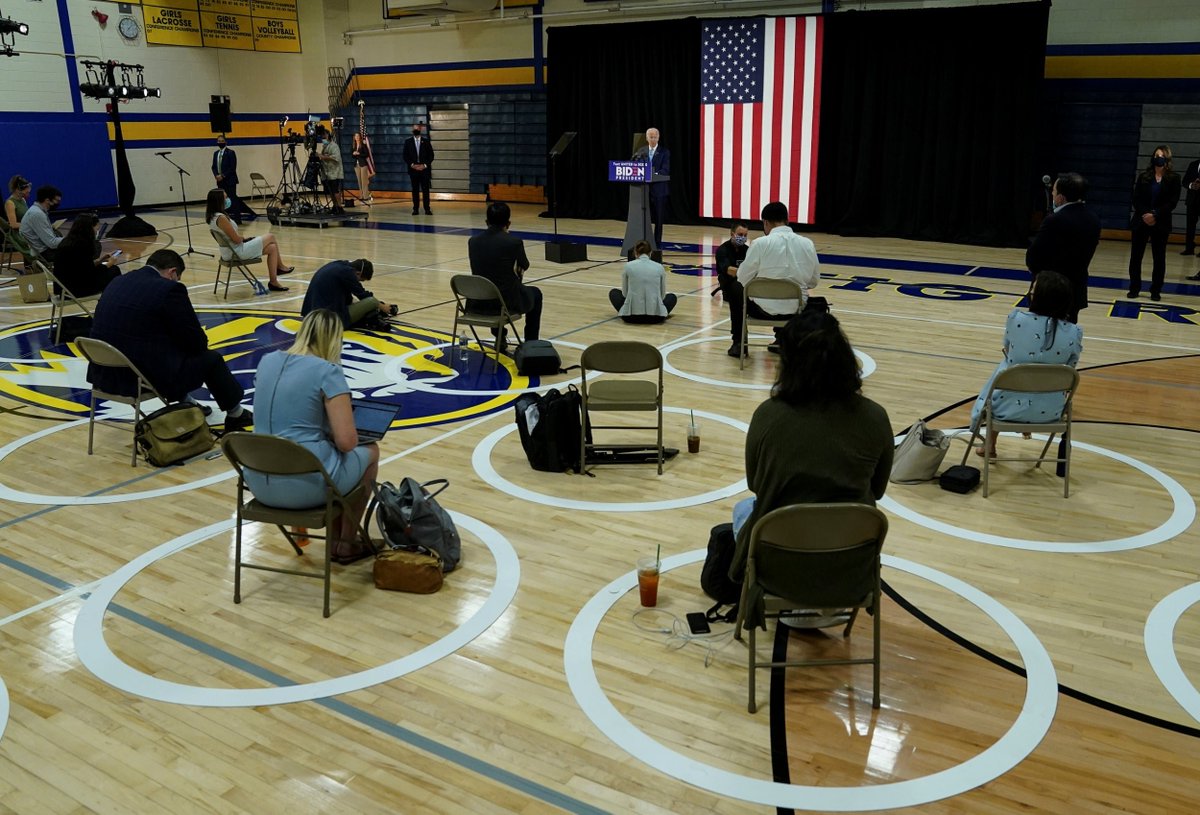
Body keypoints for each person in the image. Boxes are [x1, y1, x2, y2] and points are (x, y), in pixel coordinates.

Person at [728, 309, 893, 584]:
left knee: (744, 508)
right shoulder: (875, 416)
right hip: (849, 562)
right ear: (845, 359)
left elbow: (756, 483)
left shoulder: (768, 414)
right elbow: (877, 489)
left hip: (778, 560)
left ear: (788, 363)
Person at [243, 308, 379, 557]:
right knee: (368, 451)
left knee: (297, 448)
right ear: (335, 339)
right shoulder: (328, 370)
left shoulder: (267, 361)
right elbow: (347, 442)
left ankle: (311, 535)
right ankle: (345, 543)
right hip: (303, 486)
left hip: (258, 480)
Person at [88, 248, 252, 430]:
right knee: (210, 359)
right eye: (177, 277)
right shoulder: (169, 289)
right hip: (139, 379)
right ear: (172, 272)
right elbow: (196, 342)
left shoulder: (117, 281)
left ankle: (188, 403)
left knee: (161, 350)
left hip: (103, 374)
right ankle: (236, 413)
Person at [969, 271, 1082, 459]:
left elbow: (1007, 349)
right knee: (1043, 373)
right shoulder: (1074, 332)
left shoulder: (1016, 319)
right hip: (1050, 410)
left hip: (1005, 407)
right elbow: (1072, 366)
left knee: (1007, 369)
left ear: (1036, 296)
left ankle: (989, 443)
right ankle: (1027, 418)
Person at [738, 201, 821, 350]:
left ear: (765, 222)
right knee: (794, 292)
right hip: (797, 308)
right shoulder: (807, 244)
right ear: (787, 221)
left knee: (735, 290)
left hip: (762, 309)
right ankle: (784, 340)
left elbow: (742, 278)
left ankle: (738, 344)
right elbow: (813, 281)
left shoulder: (760, 243)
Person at [1025, 172, 1101, 323]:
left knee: (1042, 335)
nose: (1052, 194)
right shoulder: (1094, 219)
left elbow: (1034, 256)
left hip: (1049, 290)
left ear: (1061, 197)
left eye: (1054, 191)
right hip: (1076, 288)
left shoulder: (1054, 220)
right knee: (1067, 337)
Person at [467, 202, 542, 349]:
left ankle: (499, 336)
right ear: (508, 223)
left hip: (477, 302)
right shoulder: (513, 242)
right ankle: (531, 344)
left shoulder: (473, 241)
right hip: (505, 304)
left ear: (486, 222)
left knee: (491, 284)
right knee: (536, 294)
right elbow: (524, 265)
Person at [205, 188, 291, 291]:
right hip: (236, 252)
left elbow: (231, 238)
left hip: (230, 251)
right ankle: (280, 267)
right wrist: (243, 239)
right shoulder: (221, 218)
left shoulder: (213, 217)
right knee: (271, 236)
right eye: (225, 197)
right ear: (218, 201)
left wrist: (244, 239)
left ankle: (273, 282)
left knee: (272, 248)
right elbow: (236, 239)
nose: (228, 199)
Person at [1127, 145, 1181, 301]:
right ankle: (1134, 287)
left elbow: (1172, 202)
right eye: (1156, 155)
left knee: (1159, 258)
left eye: (1162, 155)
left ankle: (1156, 290)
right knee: (1136, 256)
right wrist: (1146, 214)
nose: (1158, 157)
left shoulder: (1173, 178)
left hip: (1161, 222)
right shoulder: (1144, 176)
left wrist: (1155, 214)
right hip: (1141, 220)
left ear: (1167, 158)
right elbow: (1136, 199)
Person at [301, 258, 394, 329]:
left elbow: (348, 299)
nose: (358, 282)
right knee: (372, 302)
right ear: (358, 273)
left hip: (310, 316)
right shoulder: (347, 273)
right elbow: (363, 295)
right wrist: (383, 307)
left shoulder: (338, 265)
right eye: (360, 280)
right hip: (328, 321)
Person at [50, 213, 119, 297]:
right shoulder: (83, 245)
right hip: (75, 290)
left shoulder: (67, 241)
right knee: (114, 270)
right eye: (96, 229)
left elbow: (81, 267)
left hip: (62, 289)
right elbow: (88, 273)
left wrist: (100, 260)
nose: (96, 232)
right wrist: (109, 264)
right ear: (89, 228)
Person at [609, 240, 676, 323]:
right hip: (656, 318)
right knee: (672, 297)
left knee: (614, 293)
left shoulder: (628, 266)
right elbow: (662, 296)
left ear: (635, 252)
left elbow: (625, 294)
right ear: (650, 252)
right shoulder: (659, 267)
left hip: (630, 317)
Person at [715, 222, 751, 357]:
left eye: (745, 235)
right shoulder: (722, 250)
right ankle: (738, 342)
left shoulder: (748, 251)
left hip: (745, 285)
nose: (743, 237)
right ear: (732, 234)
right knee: (736, 292)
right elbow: (727, 270)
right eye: (740, 235)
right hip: (729, 286)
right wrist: (745, 272)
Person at [634, 127, 670, 246]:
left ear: (658, 137)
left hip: (659, 190)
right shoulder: (641, 150)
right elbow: (637, 166)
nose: (653, 139)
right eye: (651, 137)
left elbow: (665, 169)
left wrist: (653, 174)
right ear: (647, 138)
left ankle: (657, 243)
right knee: (644, 218)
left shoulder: (664, 152)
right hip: (644, 190)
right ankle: (644, 242)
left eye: (655, 137)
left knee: (659, 219)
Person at [211, 135, 252, 223]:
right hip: (220, 181)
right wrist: (216, 176)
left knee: (233, 199)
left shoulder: (230, 152)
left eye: (222, 141)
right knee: (223, 201)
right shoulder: (215, 154)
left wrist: (223, 175)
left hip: (230, 180)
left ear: (225, 142)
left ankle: (237, 219)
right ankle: (226, 218)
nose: (220, 142)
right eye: (219, 141)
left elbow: (232, 167)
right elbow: (213, 167)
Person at [19, 185, 64, 262]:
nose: (58, 203)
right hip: (45, 253)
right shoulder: (37, 214)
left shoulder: (37, 211)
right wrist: (71, 238)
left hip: (45, 249)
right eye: (57, 201)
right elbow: (52, 243)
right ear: (47, 200)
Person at [2, 175, 33, 268]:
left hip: (25, 228)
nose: (28, 192)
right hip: (16, 232)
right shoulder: (10, 203)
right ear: (17, 190)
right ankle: (32, 264)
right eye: (26, 191)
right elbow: (13, 224)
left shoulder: (22, 199)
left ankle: (41, 261)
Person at [403, 122, 434, 215]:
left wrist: (424, 165)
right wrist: (412, 165)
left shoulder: (426, 141)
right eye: (414, 129)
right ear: (412, 131)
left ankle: (427, 209)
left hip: (424, 170)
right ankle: (415, 209)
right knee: (415, 190)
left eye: (417, 129)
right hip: (413, 170)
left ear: (420, 130)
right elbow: (405, 155)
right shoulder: (408, 142)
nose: (416, 130)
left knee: (425, 190)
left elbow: (431, 156)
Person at [319, 130, 345, 214]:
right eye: (322, 137)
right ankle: (335, 206)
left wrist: (323, 157)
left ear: (328, 136)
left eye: (324, 137)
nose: (323, 139)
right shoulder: (325, 146)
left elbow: (336, 157)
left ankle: (340, 207)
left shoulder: (334, 146)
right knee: (330, 191)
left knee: (335, 191)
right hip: (327, 173)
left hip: (335, 173)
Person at [1182, 156, 1199, 258]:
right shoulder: (1193, 164)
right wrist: (1191, 185)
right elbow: (1184, 182)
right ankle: (1189, 248)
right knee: (1190, 226)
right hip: (1192, 201)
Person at [352, 132, 374, 204]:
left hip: (363, 164)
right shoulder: (353, 145)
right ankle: (361, 196)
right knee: (359, 181)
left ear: (360, 137)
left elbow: (366, 154)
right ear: (354, 138)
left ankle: (366, 196)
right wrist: (353, 153)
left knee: (364, 181)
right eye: (356, 136)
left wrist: (359, 154)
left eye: (358, 136)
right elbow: (351, 155)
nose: (357, 137)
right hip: (356, 165)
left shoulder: (363, 145)